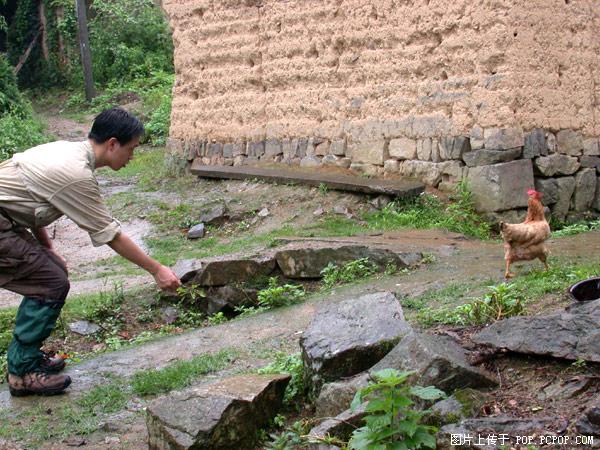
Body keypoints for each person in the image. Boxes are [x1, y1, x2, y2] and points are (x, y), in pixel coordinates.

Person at [0, 107, 181, 396]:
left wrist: (47, 248)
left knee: (52, 273)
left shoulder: (66, 151)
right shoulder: (76, 175)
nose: (133, 157)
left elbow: (28, 198)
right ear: (112, 144)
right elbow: (111, 234)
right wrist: (157, 270)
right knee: (50, 283)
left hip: (7, 220)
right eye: (131, 149)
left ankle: (28, 359)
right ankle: (22, 374)